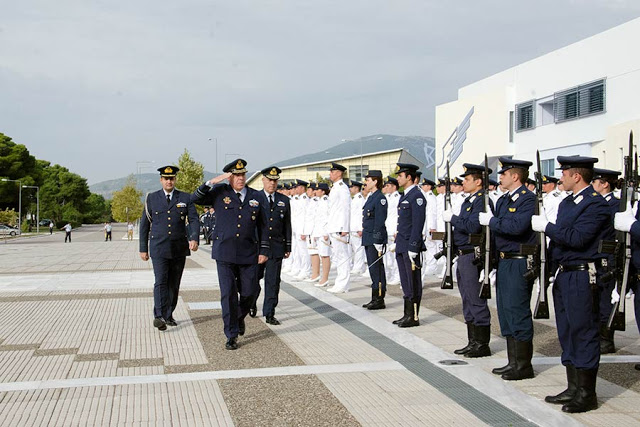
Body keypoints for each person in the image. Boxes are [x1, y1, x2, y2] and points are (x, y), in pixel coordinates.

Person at [531, 156, 610, 413]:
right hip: (565, 274)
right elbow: (560, 241)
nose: (560, 178)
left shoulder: (595, 205)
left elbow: (577, 238)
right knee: (566, 331)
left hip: (581, 274)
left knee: (583, 331)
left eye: (564, 173)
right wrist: (548, 272)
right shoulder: (567, 203)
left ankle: (587, 393)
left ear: (577, 176)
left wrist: (547, 227)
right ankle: (573, 386)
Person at [191, 159, 269, 350]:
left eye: (243, 175)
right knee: (228, 294)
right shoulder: (220, 193)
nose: (241, 178)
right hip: (224, 252)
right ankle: (231, 334)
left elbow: (264, 225)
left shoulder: (256, 196)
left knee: (250, 292)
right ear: (230, 177)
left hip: (248, 252)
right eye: (237, 175)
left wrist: (264, 250)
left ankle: (239, 316)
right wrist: (211, 183)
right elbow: (196, 199)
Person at [479, 157, 536, 381]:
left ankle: (523, 365)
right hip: (504, 260)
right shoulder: (504, 200)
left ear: (515, 176)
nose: (500, 177)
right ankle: (513, 361)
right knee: (505, 311)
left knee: (517, 311)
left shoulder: (528, 200)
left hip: (518, 260)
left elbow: (516, 227)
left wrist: (491, 222)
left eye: (504, 173)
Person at [139, 165, 199, 331]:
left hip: (178, 248)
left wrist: (194, 237)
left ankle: (168, 314)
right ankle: (158, 316)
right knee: (160, 281)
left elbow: (194, 219)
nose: (169, 181)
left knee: (174, 283)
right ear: (161, 180)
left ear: (175, 180)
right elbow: (144, 225)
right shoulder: (151, 198)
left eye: (171, 178)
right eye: (166, 178)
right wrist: (143, 248)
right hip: (158, 247)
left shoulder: (185, 198)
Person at [444, 163, 493, 358]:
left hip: (473, 255)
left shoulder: (482, 201)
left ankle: (482, 344)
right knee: (467, 299)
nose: (463, 182)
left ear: (478, 181)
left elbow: (473, 226)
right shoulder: (469, 200)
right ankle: (472, 341)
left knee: (476, 299)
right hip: (463, 254)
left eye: (467, 179)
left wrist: (453, 219)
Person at [252, 166, 291, 325]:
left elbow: (287, 225)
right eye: (269, 180)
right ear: (263, 180)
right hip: (258, 247)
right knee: (254, 280)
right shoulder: (255, 198)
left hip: (276, 247)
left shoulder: (284, 200)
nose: (272, 183)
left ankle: (269, 312)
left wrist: (288, 246)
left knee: (273, 281)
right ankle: (251, 301)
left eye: (275, 181)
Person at [591, 168, 621, 354]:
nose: (592, 185)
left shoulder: (616, 205)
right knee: (595, 298)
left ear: (605, 184)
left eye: (595, 182)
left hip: (607, 258)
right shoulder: (596, 203)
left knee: (605, 299)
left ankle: (606, 338)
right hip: (596, 256)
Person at [393, 163, 426, 328]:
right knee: (405, 280)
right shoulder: (405, 195)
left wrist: (414, 246)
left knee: (413, 282)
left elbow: (417, 224)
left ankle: (414, 316)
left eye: (401, 175)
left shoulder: (417, 196)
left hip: (410, 245)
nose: (398, 178)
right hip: (402, 244)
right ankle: (407, 314)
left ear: (410, 178)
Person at [361, 170, 388, 309]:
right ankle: (374, 297)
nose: (366, 182)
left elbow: (379, 220)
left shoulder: (380, 198)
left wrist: (378, 240)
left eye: (368, 179)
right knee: (372, 268)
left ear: (375, 181)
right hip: (368, 237)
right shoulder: (371, 197)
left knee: (377, 269)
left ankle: (379, 298)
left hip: (375, 239)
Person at [325, 163, 352, 293]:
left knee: (342, 256)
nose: (330, 174)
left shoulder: (342, 188)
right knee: (337, 256)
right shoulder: (335, 187)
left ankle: (343, 284)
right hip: (333, 225)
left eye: (332, 172)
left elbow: (346, 209)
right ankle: (339, 282)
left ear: (339, 173)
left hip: (339, 227)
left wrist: (345, 227)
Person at [313, 183, 332, 287]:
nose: (316, 191)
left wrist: (325, 232)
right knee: (322, 255)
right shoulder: (320, 201)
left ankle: (325, 278)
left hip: (323, 232)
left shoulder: (325, 201)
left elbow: (326, 218)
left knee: (325, 255)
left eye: (318, 189)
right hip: (319, 232)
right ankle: (323, 277)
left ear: (323, 191)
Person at [384, 177, 401, 285]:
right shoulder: (386, 197)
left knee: (395, 256)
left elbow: (399, 216)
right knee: (387, 256)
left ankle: (397, 276)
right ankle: (389, 274)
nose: (386, 188)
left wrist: (397, 230)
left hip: (394, 229)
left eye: (388, 186)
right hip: (387, 228)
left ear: (394, 187)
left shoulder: (398, 197)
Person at [349, 180, 367, 275]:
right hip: (353, 227)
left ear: (356, 188)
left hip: (357, 227)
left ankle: (359, 267)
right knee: (355, 248)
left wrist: (360, 228)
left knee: (359, 249)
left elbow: (361, 214)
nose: (350, 189)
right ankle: (358, 266)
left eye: (352, 187)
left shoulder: (360, 199)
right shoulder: (355, 198)